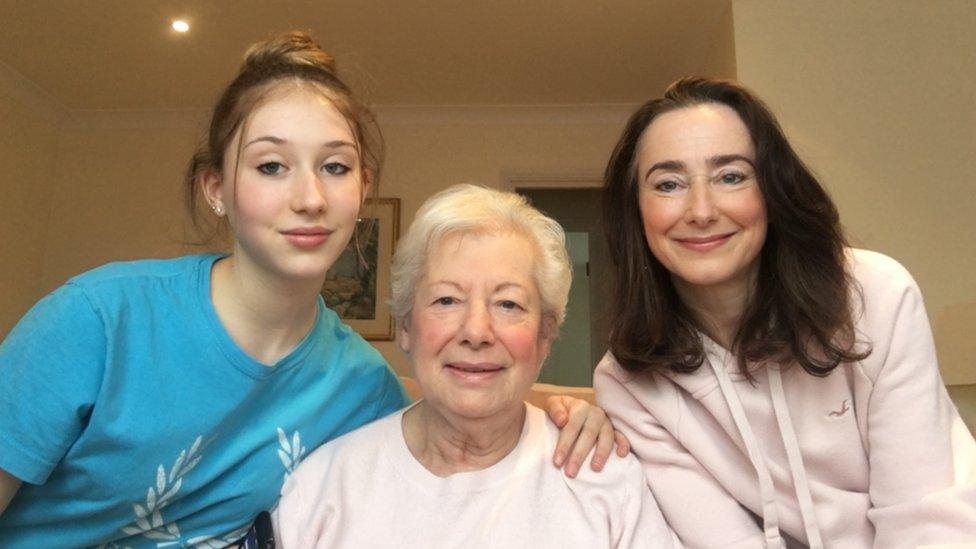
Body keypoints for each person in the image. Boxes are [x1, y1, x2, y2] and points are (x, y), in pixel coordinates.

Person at [0, 32, 617, 547]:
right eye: (271, 165)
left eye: (335, 166)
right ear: (217, 186)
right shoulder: (99, 321)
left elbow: (454, 389)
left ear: (362, 188)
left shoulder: (359, 387)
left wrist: (582, 412)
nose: (309, 197)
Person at [593, 77, 976, 548]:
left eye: (730, 176)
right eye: (668, 184)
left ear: (772, 193)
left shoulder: (875, 297)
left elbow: (924, 519)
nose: (701, 210)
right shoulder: (627, 382)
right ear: (636, 211)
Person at [273, 184, 674, 548]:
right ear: (407, 326)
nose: (476, 331)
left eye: (508, 304)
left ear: (545, 337)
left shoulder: (603, 475)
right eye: (447, 300)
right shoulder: (322, 489)